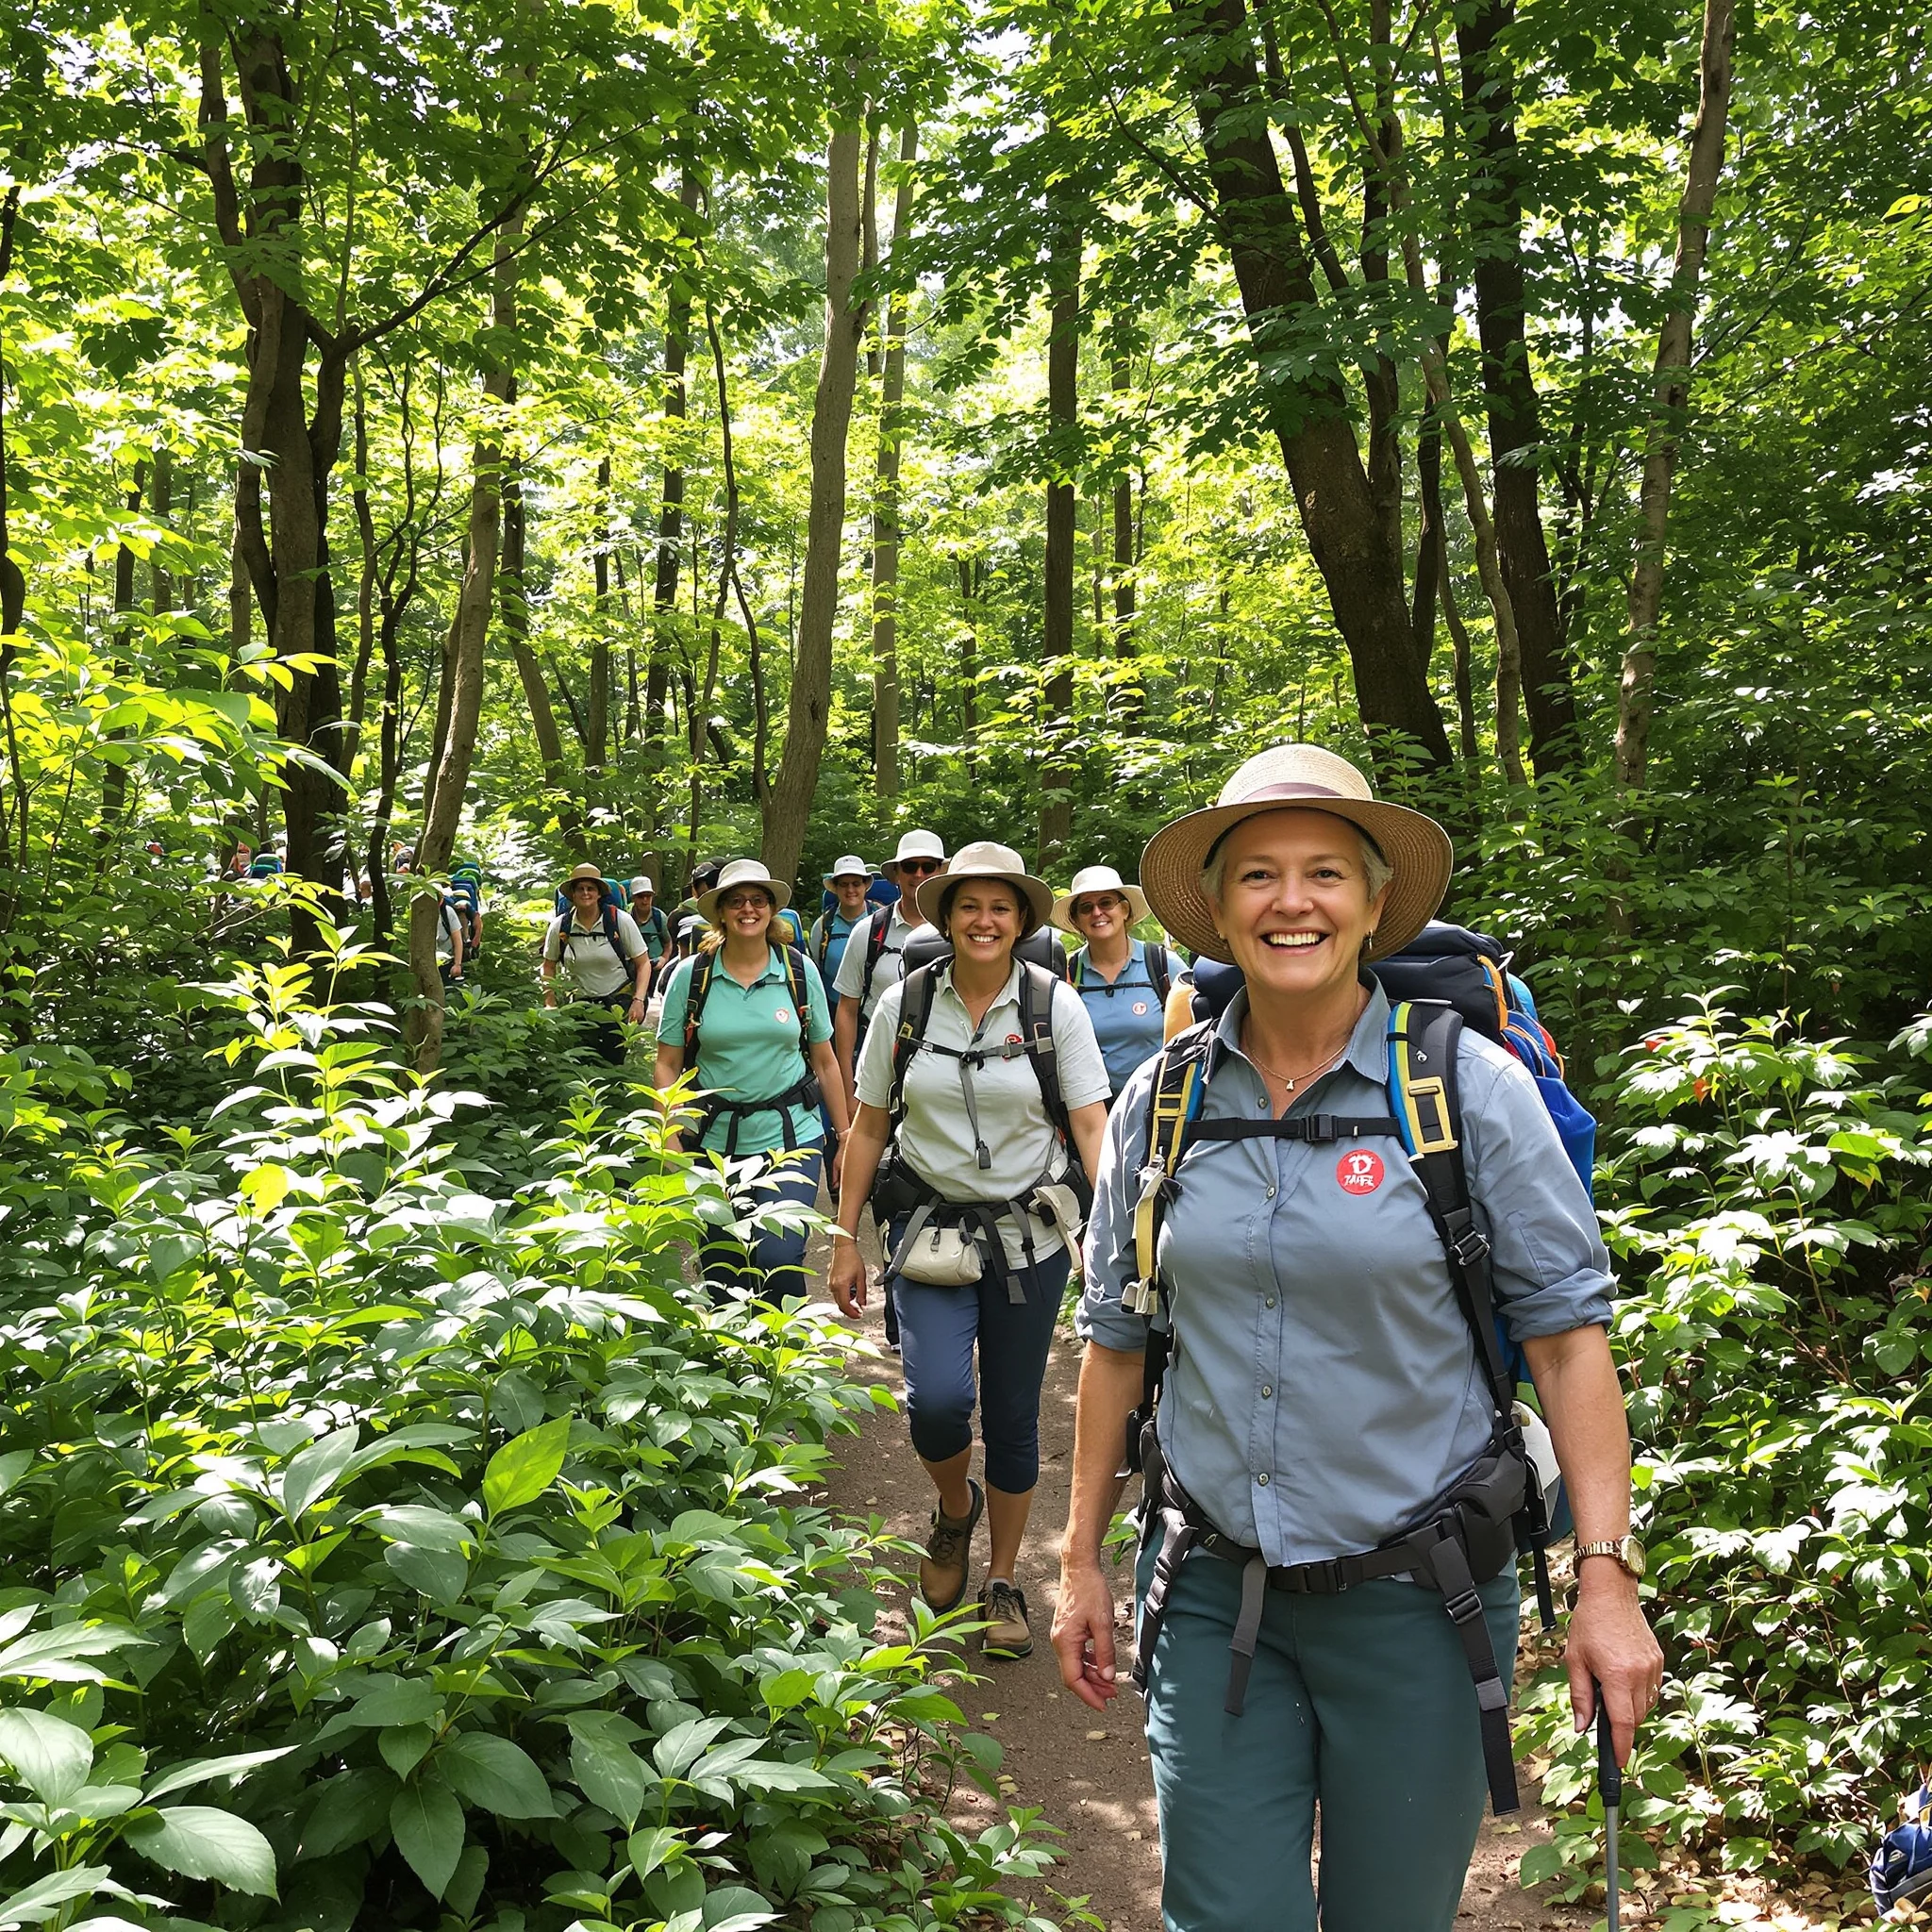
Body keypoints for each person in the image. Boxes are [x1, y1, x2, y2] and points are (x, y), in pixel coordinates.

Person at [1051, 745, 1661, 1932]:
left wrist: (1604, 1574)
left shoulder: (1468, 1089)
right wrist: (1079, 1558)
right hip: (1213, 1588)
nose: (1292, 901)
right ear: (1218, 910)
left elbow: (1567, 1337)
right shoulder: (1161, 1101)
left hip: (1418, 1607)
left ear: (1375, 901)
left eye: (1325, 871)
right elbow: (1116, 1337)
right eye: (1259, 875)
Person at [830, 841, 1109, 1663]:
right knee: (940, 1403)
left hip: (1030, 1238)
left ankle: (1004, 1577)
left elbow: (1091, 1123)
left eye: (1000, 907)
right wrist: (845, 1238)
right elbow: (869, 1125)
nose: (984, 920)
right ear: (944, 917)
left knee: (1016, 1416)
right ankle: (955, 1507)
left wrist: (1108, 1231)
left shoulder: (1054, 1005)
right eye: (968, 906)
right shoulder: (906, 1006)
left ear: (1021, 919)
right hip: (928, 1233)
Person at [653, 859, 848, 1306]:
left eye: (758, 900)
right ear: (720, 911)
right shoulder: (692, 975)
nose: (747, 909)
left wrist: (845, 1135)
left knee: (778, 1257)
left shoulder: (798, 971)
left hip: (791, 1136)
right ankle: (732, 1370)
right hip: (712, 1140)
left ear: (771, 909)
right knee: (722, 1269)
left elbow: (826, 1060)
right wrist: (670, 1135)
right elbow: (667, 1063)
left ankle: (787, 1358)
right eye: (736, 900)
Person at [831, 830, 948, 1106]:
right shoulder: (868, 932)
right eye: (909, 866)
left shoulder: (957, 930)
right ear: (896, 873)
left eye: (928, 866)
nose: (918, 874)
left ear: (940, 872)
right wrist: (848, 1086)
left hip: (944, 1065)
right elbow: (847, 1009)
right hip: (877, 1065)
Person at [1052, 864, 1183, 1104]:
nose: (1097, 912)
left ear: (1124, 910)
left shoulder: (1163, 965)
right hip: (1093, 1109)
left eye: (1106, 903)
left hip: (1159, 1104)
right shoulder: (1068, 975)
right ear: (1077, 920)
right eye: (1086, 907)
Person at [541, 863, 651, 1065]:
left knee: (613, 1063)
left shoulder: (620, 921)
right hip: (579, 1007)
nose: (585, 893)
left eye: (590, 888)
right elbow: (548, 965)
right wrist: (550, 1002)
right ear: (572, 894)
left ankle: (614, 1095)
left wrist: (638, 1000)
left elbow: (643, 963)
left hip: (617, 1005)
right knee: (581, 1065)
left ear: (599, 893)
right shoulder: (560, 927)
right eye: (580, 888)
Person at [811, 856, 874, 1017]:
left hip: (873, 1010)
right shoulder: (823, 925)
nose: (850, 890)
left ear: (865, 886)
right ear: (836, 888)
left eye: (856, 884)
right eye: (844, 884)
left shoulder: (881, 920)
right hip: (832, 1009)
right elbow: (815, 971)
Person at [627, 875, 671, 977]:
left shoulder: (660, 917)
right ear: (633, 898)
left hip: (658, 971)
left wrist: (664, 959)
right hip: (635, 972)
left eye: (648, 896)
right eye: (640, 896)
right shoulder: (627, 919)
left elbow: (668, 943)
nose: (645, 900)